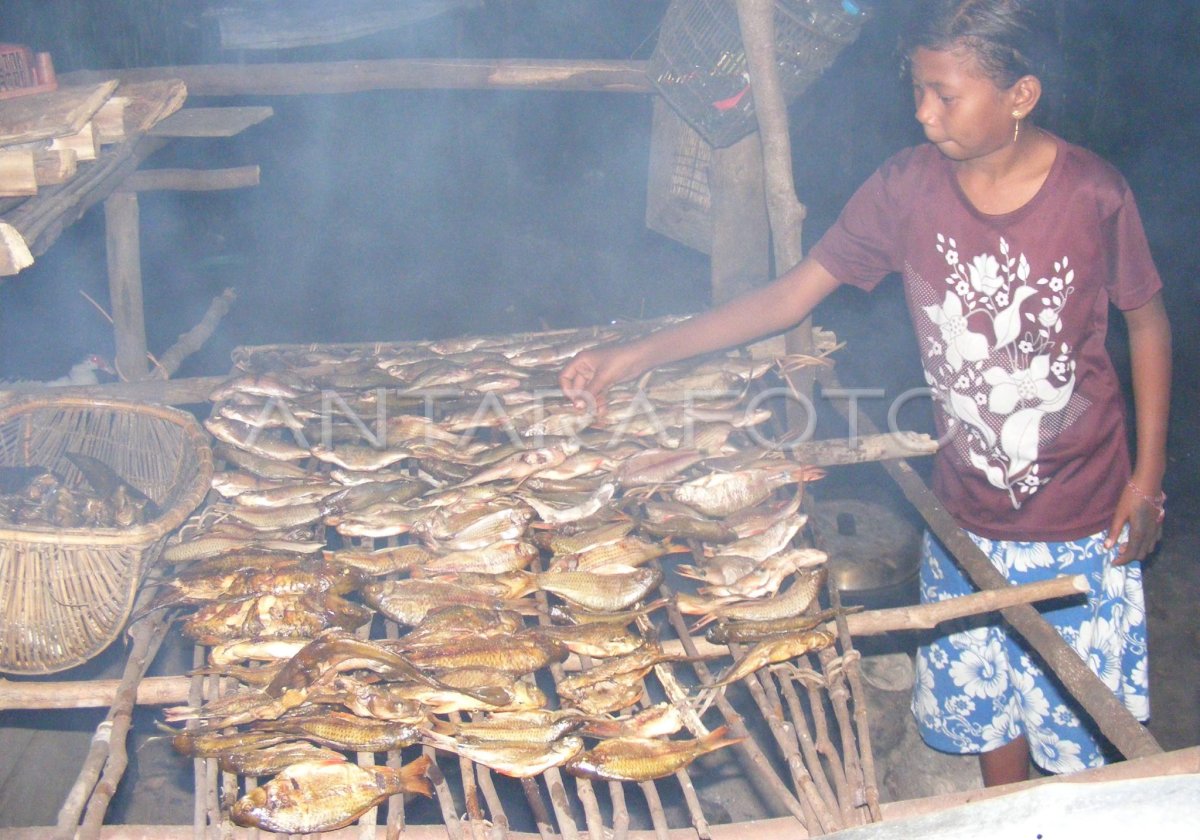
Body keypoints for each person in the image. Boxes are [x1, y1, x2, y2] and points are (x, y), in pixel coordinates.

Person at [559, 0, 1170, 787]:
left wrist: (1146, 481)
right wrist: (639, 355)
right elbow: (791, 295)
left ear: (1021, 96)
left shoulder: (1092, 194)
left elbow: (1146, 327)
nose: (923, 113)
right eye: (917, 90)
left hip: (1081, 518)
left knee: (1085, 744)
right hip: (964, 520)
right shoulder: (907, 188)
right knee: (992, 718)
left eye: (945, 96)